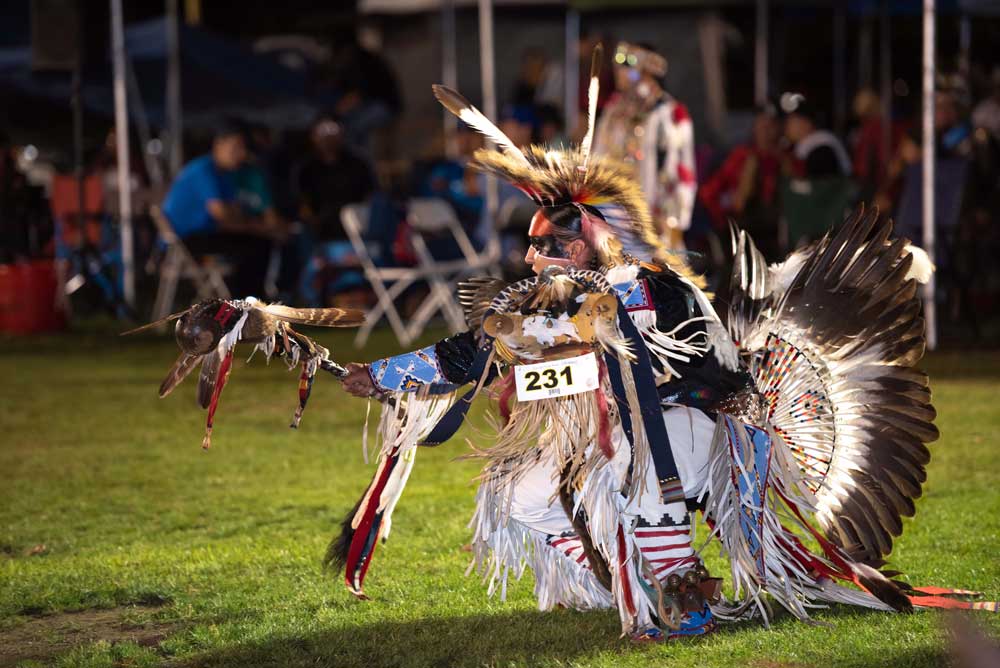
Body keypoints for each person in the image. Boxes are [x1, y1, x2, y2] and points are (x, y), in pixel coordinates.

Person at [326, 75, 967, 643]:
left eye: (543, 247)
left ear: (581, 248)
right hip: (627, 432)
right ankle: (616, 580)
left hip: (700, 431)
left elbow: (668, 366)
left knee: (628, 461)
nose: (528, 260)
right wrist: (375, 375)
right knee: (518, 490)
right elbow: (470, 354)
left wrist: (589, 318)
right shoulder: (551, 302)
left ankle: (682, 593)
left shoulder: (653, 286)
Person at [161, 121, 284, 296]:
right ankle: (247, 303)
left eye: (243, 149)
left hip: (205, 235)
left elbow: (234, 212)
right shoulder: (203, 170)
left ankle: (248, 301)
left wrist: (253, 226)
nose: (240, 154)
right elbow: (222, 215)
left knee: (257, 243)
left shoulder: (224, 174)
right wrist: (259, 228)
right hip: (185, 241)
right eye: (235, 148)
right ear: (218, 144)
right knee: (255, 246)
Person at [592, 41, 696, 249]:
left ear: (648, 69)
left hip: (656, 222)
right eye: (616, 63)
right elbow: (598, 161)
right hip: (616, 222)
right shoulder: (613, 112)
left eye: (627, 63)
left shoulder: (667, 112)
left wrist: (675, 220)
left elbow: (682, 171)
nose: (619, 70)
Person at [698, 104, 788, 260]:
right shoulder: (742, 156)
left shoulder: (785, 158)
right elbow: (710, 193)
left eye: (771, 125)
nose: (765, 131)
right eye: (761, 124)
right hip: (740, 229)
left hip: (774, 232)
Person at [780, 92, 852, 178]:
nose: (786, 126)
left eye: (790, 121)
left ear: (807, 123)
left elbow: (821, 186)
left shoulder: (821, 147)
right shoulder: (808, 145)